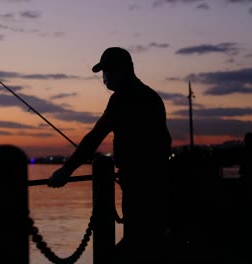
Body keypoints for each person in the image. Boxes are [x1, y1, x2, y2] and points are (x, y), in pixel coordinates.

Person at [47, 47, 172, 263]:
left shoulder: (123, 98)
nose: (104, 78)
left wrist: (66, 170)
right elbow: (165, 142)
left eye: (108, 71)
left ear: (124, 70)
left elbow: (95, 137)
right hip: (156, 184)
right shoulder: (151, 96)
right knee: (148, 241)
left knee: (136, 245)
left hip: (139, 187)